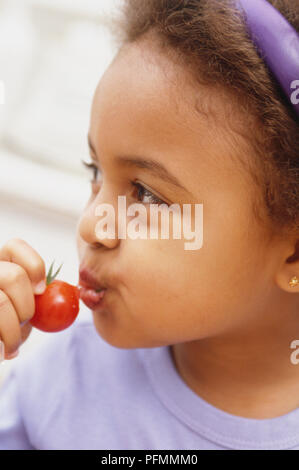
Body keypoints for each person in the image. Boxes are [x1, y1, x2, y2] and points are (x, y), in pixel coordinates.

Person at [0, 0, 298, 450]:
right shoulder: (65, 373)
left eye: (148, 195)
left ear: (293, 252)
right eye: (94, 169)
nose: (91, 226)